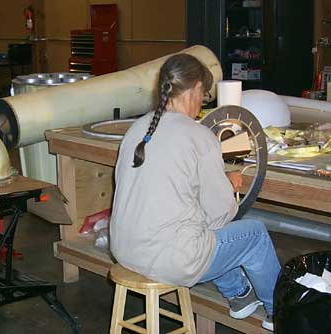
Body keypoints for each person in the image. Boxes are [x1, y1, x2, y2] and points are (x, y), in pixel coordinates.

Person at [109, 53, 281, 331]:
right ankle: (280, 311)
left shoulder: (137, 128)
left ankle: (239, 296)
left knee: (196, 226)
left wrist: (212, 181)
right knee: (254, 234)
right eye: (204, 95)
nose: (203, 103)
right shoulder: (199, 135)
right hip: (168, 260)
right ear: (195, 88)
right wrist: (227, 184)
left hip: (124, 248)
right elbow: (221, 215)